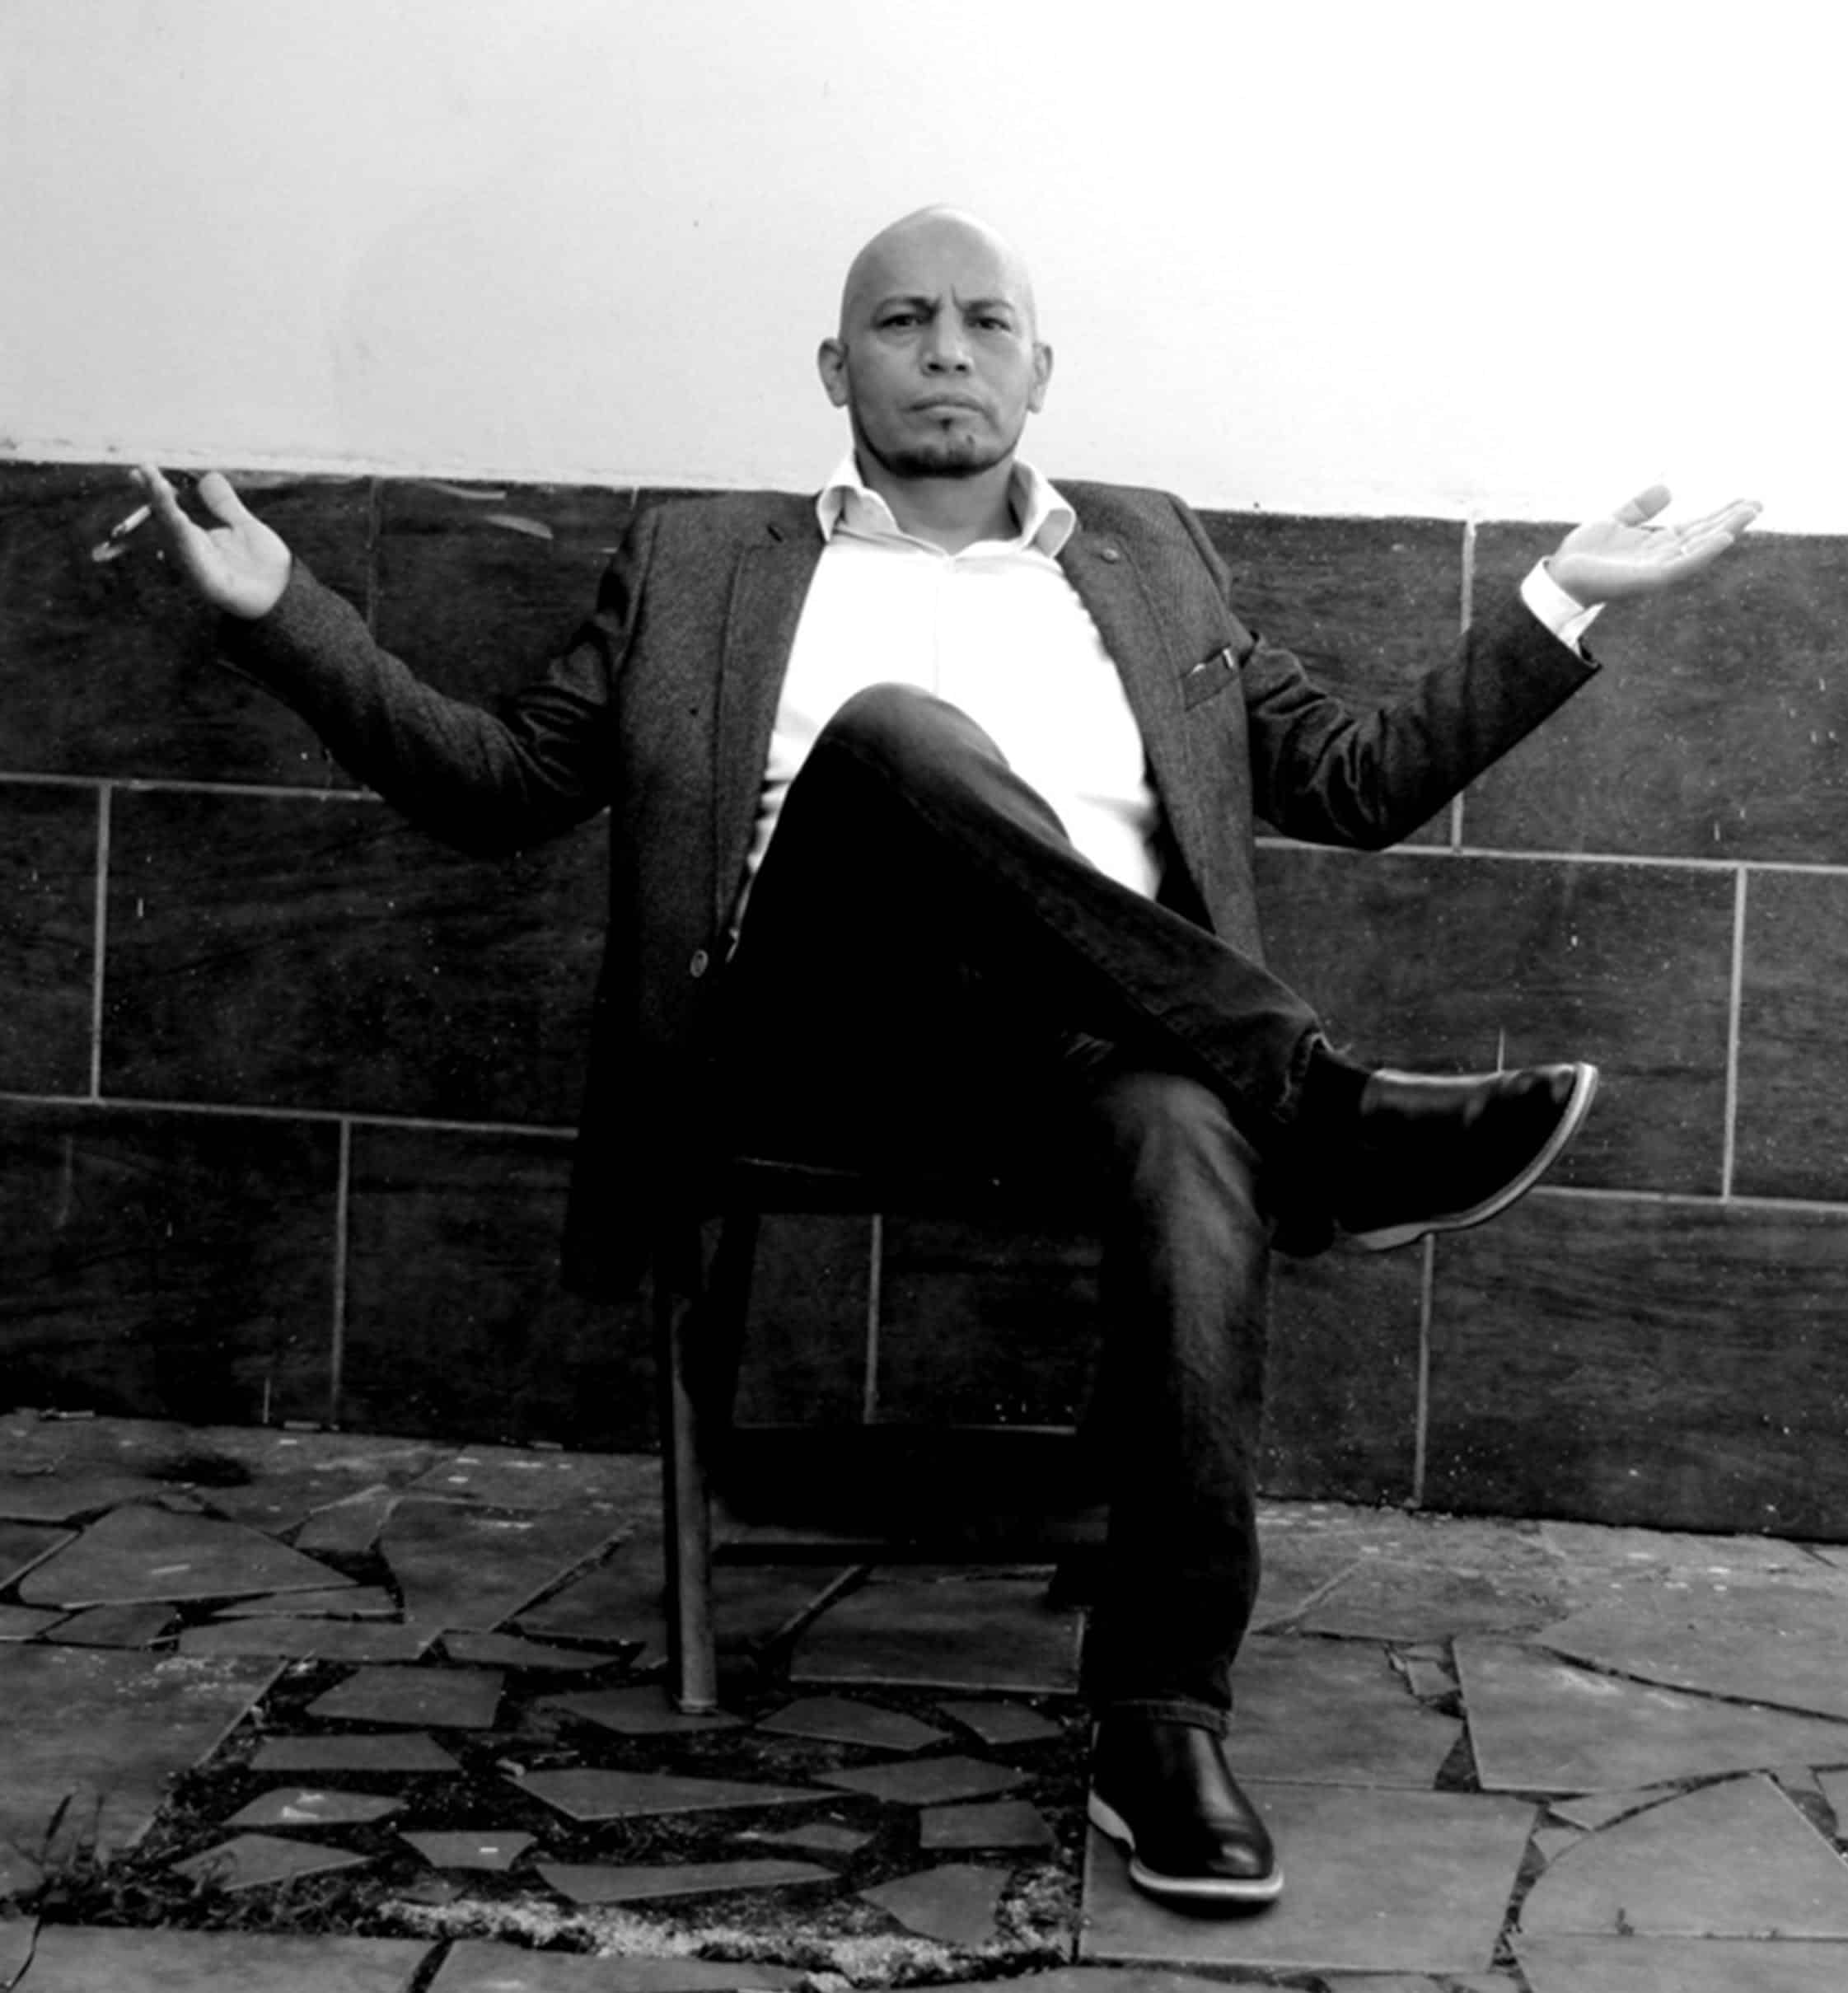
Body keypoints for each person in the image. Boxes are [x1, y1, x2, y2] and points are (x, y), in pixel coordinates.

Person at [136, 204, 1758, 1911]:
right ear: (835, 367)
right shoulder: (702, 562)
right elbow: (499, 786)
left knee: (1187, 1128)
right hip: (805, 1046)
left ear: (1040, 370)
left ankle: (1159, 1718)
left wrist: (1560, 595)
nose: (947, 351)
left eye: (986, 323)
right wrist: (283, 612)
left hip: (1082, 1058)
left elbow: (1353, 780)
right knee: (899, 741)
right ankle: (1326, 1112)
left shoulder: (1150, 559)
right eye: (903, 320)